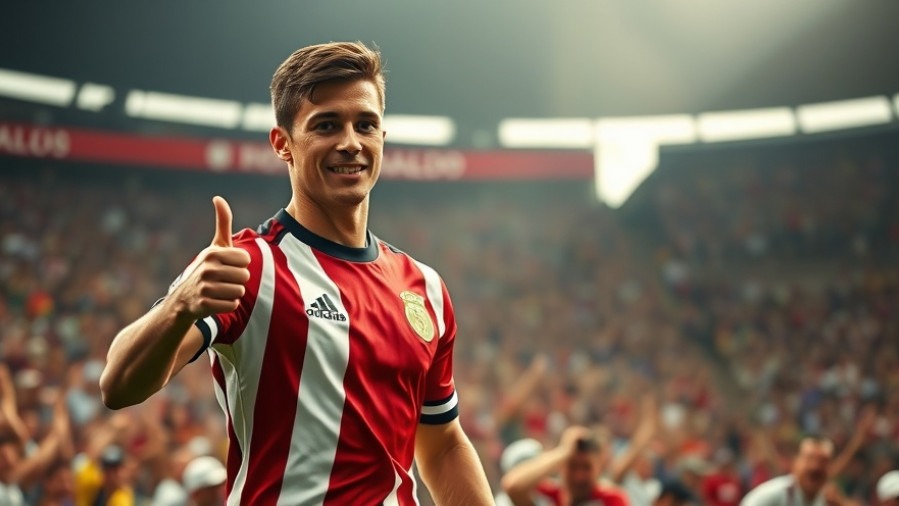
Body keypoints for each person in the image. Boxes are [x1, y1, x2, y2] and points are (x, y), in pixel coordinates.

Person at [99, 41, 493, 504]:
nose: (350, 141)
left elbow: (443, 445)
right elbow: (118, 385)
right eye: (326, 125)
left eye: (365, 124)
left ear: (382, 138)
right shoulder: (248, 265)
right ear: (282, 143)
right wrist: (180, 304)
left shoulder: (424, 288)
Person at [501, 426, 630, 506]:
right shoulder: (551, 495)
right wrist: (562, 452)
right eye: (572, 467)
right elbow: (512, 487)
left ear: (599, 467)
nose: (579, 476)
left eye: (586, 467)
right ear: (560, 466)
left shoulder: (610, 499)